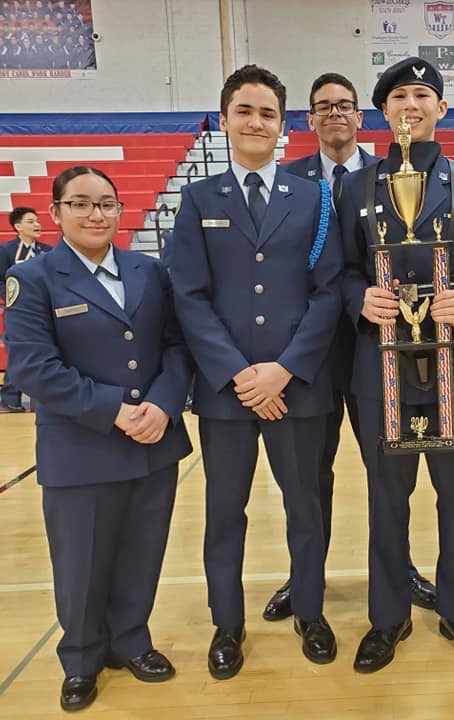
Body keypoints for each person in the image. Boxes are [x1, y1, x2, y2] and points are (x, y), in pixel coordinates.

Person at [170, 64, 343, 679]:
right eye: (244, 111)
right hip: (227, 395)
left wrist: (285, 370)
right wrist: (242, 373)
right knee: (224, 513)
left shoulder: (314, 196)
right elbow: (187, 295)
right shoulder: (198, 199)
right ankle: (227, 624)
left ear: (283, 126)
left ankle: (312, 612)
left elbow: (329, 292)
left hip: (299, 390)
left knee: (307, 508)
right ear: (224, 122)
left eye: (267, 113)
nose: (255, 122)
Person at [336, 57, 454, 673]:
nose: (412, 104)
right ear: (384, 112)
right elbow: (341, 270)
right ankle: (388, 617)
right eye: (400, 95)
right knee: (386, 497)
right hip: (380, 368)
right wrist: (361, 297)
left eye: (423, 95)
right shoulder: (354, 186)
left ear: (441, 109)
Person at [3, 166, 193, 712]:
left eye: (106, 203)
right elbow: (33, 367)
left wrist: (161, 402)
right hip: (81, 449)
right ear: (56, 211)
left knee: (142, 551)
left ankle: (132, 640)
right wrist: (115, 410)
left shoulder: (148, 271)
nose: (95, 214)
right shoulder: (36, 279)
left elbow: (177, 346)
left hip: (153, 439)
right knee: (81, 563)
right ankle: (82, 658)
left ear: (120, 210)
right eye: (81, 204)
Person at [265, 72, 436, 624]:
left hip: (377, 349)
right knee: (306, 478)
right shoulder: (286, 180)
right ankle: (304, 574)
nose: (334, 113)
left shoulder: (394, 173)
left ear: (362, 116)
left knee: (390, 471)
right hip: (306, 354)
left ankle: (400, 566)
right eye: (322, 107)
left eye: (344, 105)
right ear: (308, 119)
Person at [0, 206, 51, 411]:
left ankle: (46, 396)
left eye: (37, 220)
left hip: (45, 310)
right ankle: (10, 397)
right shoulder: (6, 250)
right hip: (19, 311)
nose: (37, 224)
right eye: (31, 221)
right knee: (20, 351)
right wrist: (11, 301)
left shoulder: (47, 250)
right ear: (18, 226)